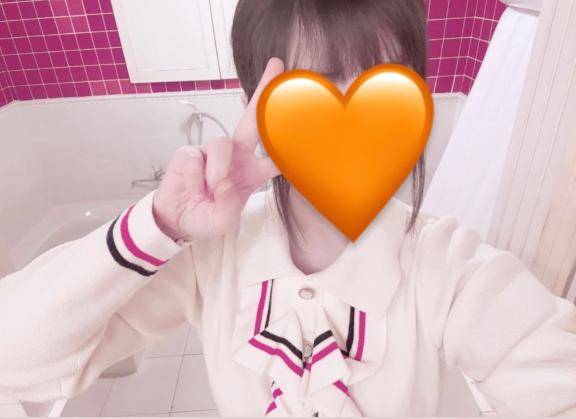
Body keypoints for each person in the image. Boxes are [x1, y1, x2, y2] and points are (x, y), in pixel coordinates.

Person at [1, 0, 575, 417]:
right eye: (315, 88)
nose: (355, 124)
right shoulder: (211, 258)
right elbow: (13, 357)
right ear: (257, 108)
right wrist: (159, 225)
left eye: (385, 87)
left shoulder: (451, 268)